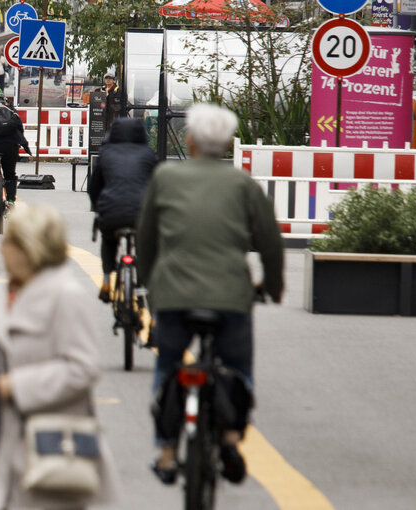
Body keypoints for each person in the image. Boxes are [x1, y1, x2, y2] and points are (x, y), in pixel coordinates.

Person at [137, 103, 284, 485]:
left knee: (168, 365)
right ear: (229, 144)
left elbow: (147, 239)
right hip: (230, 295)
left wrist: (149, 281)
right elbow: (269, 242)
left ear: (189, 140)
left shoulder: (165, 177)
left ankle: (167, 452)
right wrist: (271, 287)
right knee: (237, 367)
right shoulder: (243, 184)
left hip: (173, 293)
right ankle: (232, 438)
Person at [0, 203, 118, 509]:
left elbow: (83, 367)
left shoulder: (64, 295)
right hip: (11, 445)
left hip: (54, 448)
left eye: (9, 242)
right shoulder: (15, 291)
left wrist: (15, 385)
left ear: (27, 249)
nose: (2, 249)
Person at [88, 117, 158, 302]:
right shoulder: (148, 154)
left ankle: (106, 278)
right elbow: (157, 185)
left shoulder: (106, 153)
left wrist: (97, 207)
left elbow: (94, 187)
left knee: (109, 240)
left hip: (112, 211)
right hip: (143, 214)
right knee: (146, 245)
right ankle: (146, 283)